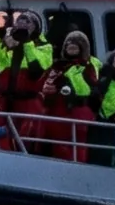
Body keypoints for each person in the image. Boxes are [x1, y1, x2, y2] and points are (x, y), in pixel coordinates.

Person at [0, 11, 53, 152]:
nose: (23, 24)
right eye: (20, 20)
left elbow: (36, 70)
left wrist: (26, 43)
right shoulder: (7, 45)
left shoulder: (44, 47)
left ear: (36, 28)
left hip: (28, 105)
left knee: (25, 142)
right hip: (2, 102)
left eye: (28, 22)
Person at [42, 30, 100, 162]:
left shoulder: (88, 67)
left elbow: (93, 90)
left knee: (78, 147)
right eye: (69, 43)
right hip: (56, 111)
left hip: (78, 111)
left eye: (77, 44)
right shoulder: (56, 66)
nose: (72, 45)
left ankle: (78, 169)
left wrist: (71, 86)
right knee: (57, 144)